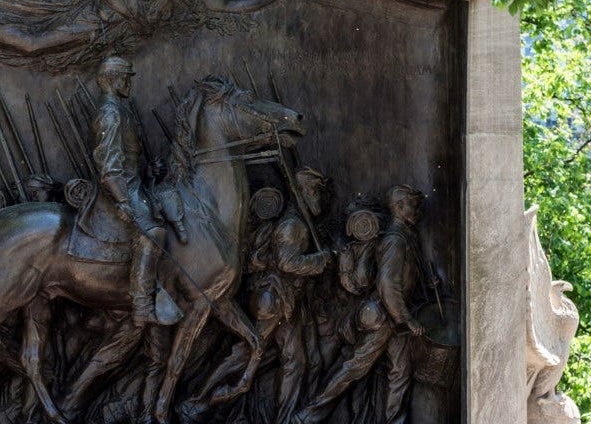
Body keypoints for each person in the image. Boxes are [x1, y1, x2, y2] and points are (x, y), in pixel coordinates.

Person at [181, 168, 334, 424]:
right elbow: (287, 263)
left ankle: (285, 419)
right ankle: (195, 403)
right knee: (245, 354)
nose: (321, 200)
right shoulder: (292, 226)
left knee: (294, 360)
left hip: (286, 303)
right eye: (317, 193)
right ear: (304, 193)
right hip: (273, 300)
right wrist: (321, 259)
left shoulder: (300, 223)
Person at [292, 185, 427, 424]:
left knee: (400, 372)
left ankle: (395, 420)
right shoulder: (395, 240)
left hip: (393, 320)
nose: (418, 210)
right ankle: (306, 416)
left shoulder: (405, 236)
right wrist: (406, 318)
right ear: (398, 207)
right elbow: (387, 284)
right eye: (413, 205)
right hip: (385, 318)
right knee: (354, 369)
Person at [76, 56, 165, 326]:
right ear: (112, 80)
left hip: (133, 184)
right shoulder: (110, 113)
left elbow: (127, 160)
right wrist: (123, 200)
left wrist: (148, 172)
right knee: (152, 235)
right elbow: (109, 165)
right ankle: (142, 306)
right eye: (125, 78)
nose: (128, 83)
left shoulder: (121, 110)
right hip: (117, 190)